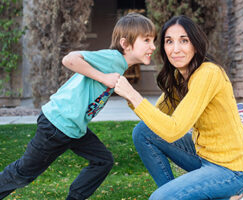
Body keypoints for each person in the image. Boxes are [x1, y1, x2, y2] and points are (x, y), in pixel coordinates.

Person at [0, 13, 156, 200]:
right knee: (23, 173)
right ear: (125, 44)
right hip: (57, 124)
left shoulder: (119, 64)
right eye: (146, 40)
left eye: (153, 40)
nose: (152, 46)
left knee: (103, 161)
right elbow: (69, 60)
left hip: (74, 129)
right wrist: (103, 77)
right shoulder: (113, 58)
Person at [114, 15, 243, 200]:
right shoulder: (179, 77)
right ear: (164, 48)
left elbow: (174, 130)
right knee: (143, 132)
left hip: (233, 170)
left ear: (195, 44)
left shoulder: (208, 73)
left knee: (159, 199)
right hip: (203, 157)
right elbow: (155, 119)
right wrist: (129, 95)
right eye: (169, 41)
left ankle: (239, 194)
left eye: (184, 41)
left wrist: (134, 94)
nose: (176, 49)